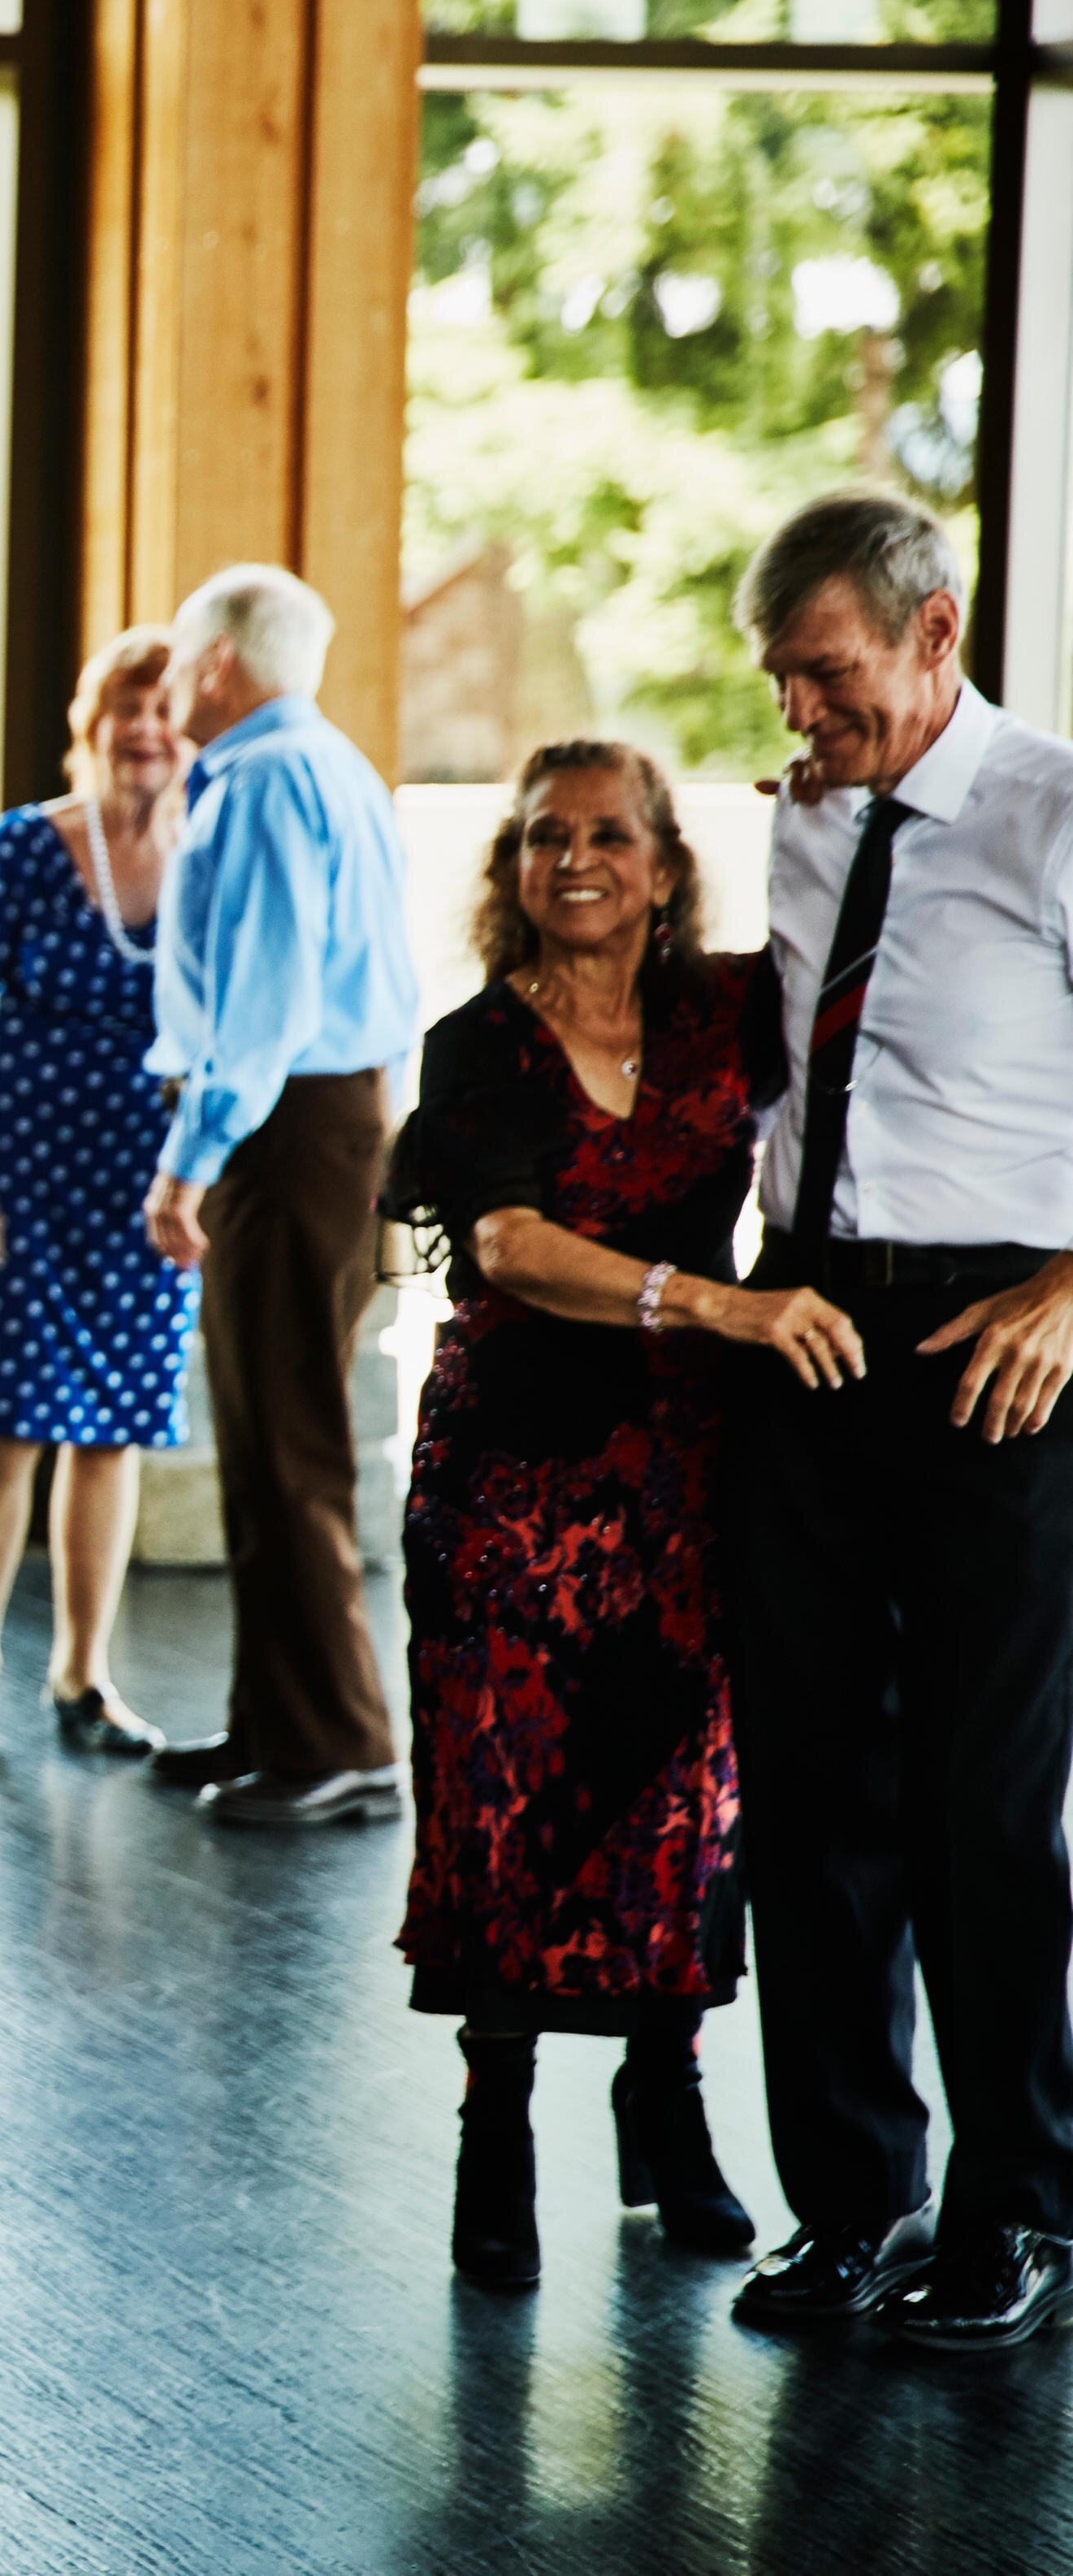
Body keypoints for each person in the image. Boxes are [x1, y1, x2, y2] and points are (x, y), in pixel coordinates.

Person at [380, 740, 855, 2289]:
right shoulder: (479, 1048)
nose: (574, 857)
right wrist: (716, 1301)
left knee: (684, 1795)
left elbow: (866, 972)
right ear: (511, 867)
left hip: (691, 1472)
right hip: (511, 1482)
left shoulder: (729, 1005)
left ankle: (671, 2095)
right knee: (502, 1792)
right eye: (542, 836)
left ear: (664, 860)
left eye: (609, 833)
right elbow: (510, 1248)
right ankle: (497, 2124)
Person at [712, 491, 1073, 2352]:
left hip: (1001, 1327)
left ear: (934, 637)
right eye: (780, 676)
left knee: (981, 1796)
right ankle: (851, 2200)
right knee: (809, 1791)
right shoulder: (804, 816)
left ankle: (1020, 2207)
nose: (796, 707)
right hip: (809, 1317)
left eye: (826, 671)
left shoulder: (1052, 809)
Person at [140, 564, 419, 1829]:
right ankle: (278, 1722)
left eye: (183, 657)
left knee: (289, 1435)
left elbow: (263, 1003)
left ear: (220, 665)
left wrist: (189, 1159)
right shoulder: (331, 765)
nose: (171, 680)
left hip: (287, 1125)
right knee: (262, 1432)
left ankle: (337, 1745)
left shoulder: (259, 783)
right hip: (322, 1117)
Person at [0, 624, 199, 1760]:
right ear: (91, 725)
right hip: (29, 1179)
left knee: (117, 1430)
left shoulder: (212, 853)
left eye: (164, 710)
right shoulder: (22, 849)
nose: (144, 732)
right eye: (125, 710)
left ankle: (85, 1678)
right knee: (10, 1424)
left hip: (150, 1191)